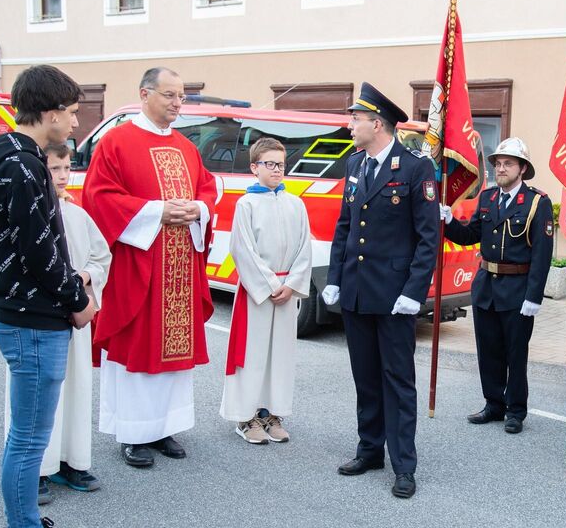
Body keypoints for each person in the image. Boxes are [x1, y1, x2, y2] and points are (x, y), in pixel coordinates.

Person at [0, 64, 97, 528]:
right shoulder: (23, 166)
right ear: (50, 113)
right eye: (71, 113)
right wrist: (78, 299)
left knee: (28, 436)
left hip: (29, 315)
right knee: (27, 440)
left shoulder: (17, 158)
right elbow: (39, 251)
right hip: (32, 320)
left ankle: (25, 527)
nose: (75, 123)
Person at [82, 67, 217, 469]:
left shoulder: (186, 147)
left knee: (172, 353)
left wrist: (199, 209)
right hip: (138, 267)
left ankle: (164, 427)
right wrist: (156, 212)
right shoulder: (116, 142)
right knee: (136, 347)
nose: (178, 103)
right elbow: (99, 197)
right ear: (144, 94)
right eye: (170, 95)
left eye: (182, 96)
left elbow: (207, 188)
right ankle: (133, 432)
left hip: (179, 269)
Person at [322, 82, 439, 499]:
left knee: (398, 380)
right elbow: (345, 227)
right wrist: (334, 278)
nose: (350, 125)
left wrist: (414, 291)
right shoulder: (355, 163)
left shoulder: (415, 168)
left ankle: (403, 464)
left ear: (377, 124)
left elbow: (428, 238)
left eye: (355, 119)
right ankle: (369, 449)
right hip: (357, 291)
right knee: (366, 377)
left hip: (394, 296)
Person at [439, 137, 553, 434]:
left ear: (522, 168)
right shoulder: (488, 198)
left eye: (508, 164)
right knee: (488, 350)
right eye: (498, 164)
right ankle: (493, 403)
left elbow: (542, 254)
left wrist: (534, 296)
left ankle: (515, 410)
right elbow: (469, 236)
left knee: (515, 353)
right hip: (487, 286)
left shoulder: (537, 202)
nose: (501, 169)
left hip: (517, 288)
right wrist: (449, 221)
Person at [221, 137, 312, 444]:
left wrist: (292, 284)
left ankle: (271, 413)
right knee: (253, 354)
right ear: (254, 167)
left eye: (281, 164)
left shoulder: (295, 204)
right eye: (269, 164)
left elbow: (304, 248)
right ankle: (245, 417)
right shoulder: (246, 204)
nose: (276, 170)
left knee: (279, 356)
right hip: (257, 293)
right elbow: (242, 249)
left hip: (286, 291)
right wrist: (272, 285)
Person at [41, 143, 112, 491]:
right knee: (41, 394)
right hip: (41, 316)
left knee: (77, 387)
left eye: (67, 168)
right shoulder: (29, 212)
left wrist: (83, 277)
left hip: (76, 313)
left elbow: (101, 257)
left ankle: (72, 460)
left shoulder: (77, 215)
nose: (63, 176)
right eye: (54, 169)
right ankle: (38, 468)